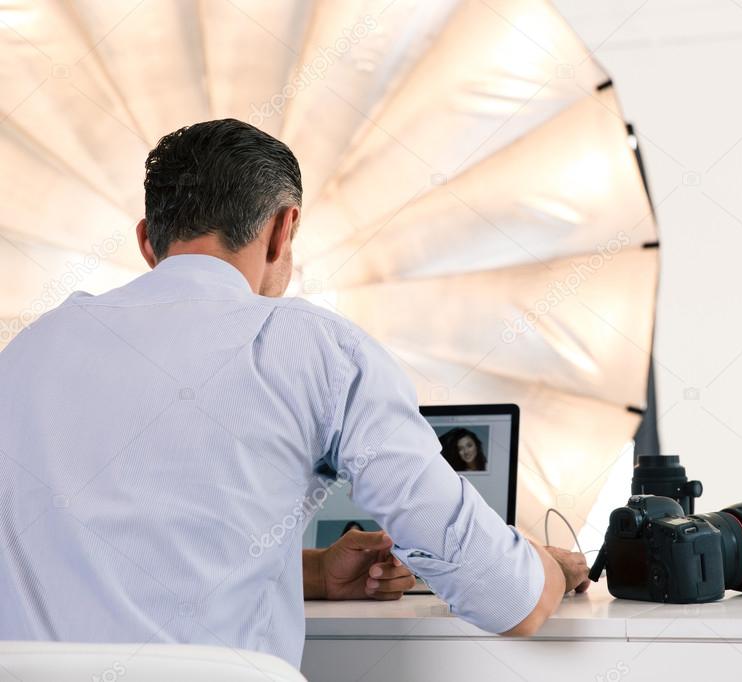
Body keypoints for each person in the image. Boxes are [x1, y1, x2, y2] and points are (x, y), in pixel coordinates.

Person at [0, 119, 589, 668]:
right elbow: (508, 599)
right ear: (284, 230)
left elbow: (107, 550)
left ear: (147, 242)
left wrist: (314, 574)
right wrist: (550, 572)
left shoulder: (27, 352)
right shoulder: (313, 349)